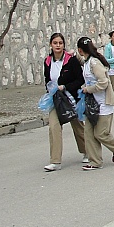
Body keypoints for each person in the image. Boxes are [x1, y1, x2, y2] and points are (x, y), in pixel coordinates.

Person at [42, 32, 87, 172]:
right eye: (55, 43)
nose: (58, 46)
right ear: (51, 44)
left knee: (78, 126)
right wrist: (50, 90)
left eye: (60, 43)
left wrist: (66, 87)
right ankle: (55, 161)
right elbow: (47, 79)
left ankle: (87, 151)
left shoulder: (71, 60)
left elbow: (80, 79)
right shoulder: (47, 61)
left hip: (71, 98)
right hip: (56, 99)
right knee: (54, 127)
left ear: (64, 45)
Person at [77, 37, 114, 170]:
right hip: (92, 104)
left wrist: (88, 89)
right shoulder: (87, 61)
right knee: (89, 133)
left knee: (101, 133)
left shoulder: (95, 63)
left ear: (80, 50)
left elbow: (103, 82)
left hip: (104, 103)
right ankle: (95, 161)